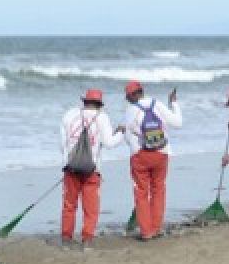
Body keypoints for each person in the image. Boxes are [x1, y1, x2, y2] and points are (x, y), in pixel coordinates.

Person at [60, 88, 124, 248]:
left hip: (71, 167)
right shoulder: (102, 117)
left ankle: (66, 239)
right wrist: (121, 134)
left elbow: (63, 145)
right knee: (91, 207)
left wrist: (68, 162)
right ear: (99, 105)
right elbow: (109, 143)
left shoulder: (69, 115)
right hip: (92, 170)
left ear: (84, 102)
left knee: (69, 205)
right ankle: (87, 240)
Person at [121, 80, 182, 240]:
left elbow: (128, 138)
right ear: (142, 91)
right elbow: (178, 123)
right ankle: (156, 228)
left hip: (140, 156)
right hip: (161, 153)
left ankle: (146, 231)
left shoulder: (130, 110)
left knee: (141, 193)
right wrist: (174, 104)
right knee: (158, 190)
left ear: (129, 96)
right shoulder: (157, 104)